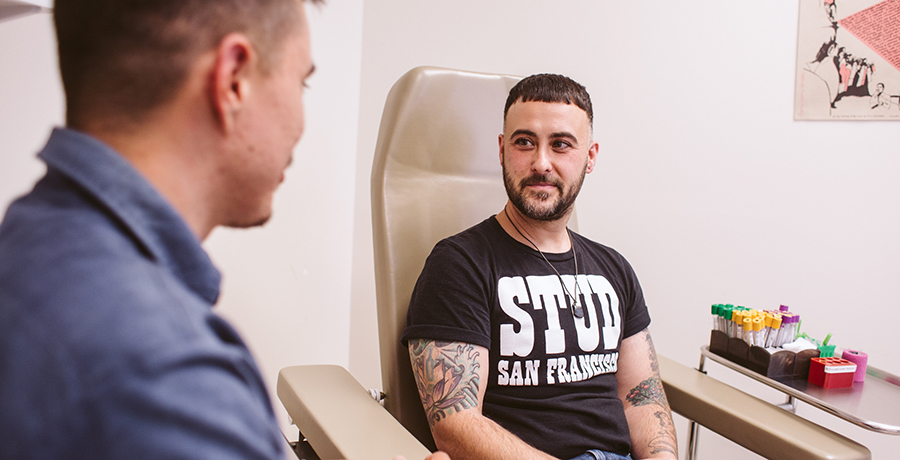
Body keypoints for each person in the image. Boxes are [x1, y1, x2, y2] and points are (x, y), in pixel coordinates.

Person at [0, 2, 450, 460]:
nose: (300, 122)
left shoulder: (27, 238)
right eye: (302, 82)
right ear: (233, 79)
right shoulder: (172, 378)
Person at [402, 74, 677, 460]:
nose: (540, 163)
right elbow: (458, 425)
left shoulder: (614, 269)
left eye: (561, 144)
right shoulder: (460, 265)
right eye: (524, 142)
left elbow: (642, 397)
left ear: (590, 157)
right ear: (502, 150)